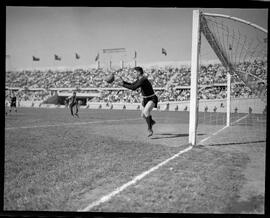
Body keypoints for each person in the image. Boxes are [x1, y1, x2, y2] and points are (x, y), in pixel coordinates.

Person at [116, 66, 158, 137]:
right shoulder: (139, 79)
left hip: (152, 98)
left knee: (146, 112)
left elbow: (133, 88)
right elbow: (132, 84)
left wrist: (123, 85)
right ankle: (151, 122)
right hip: (145, 99)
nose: (133, 73)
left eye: (135, 72)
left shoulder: (143, 79)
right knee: (143, 115)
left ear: (139, 72)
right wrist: (123, 82)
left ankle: (150, 129)